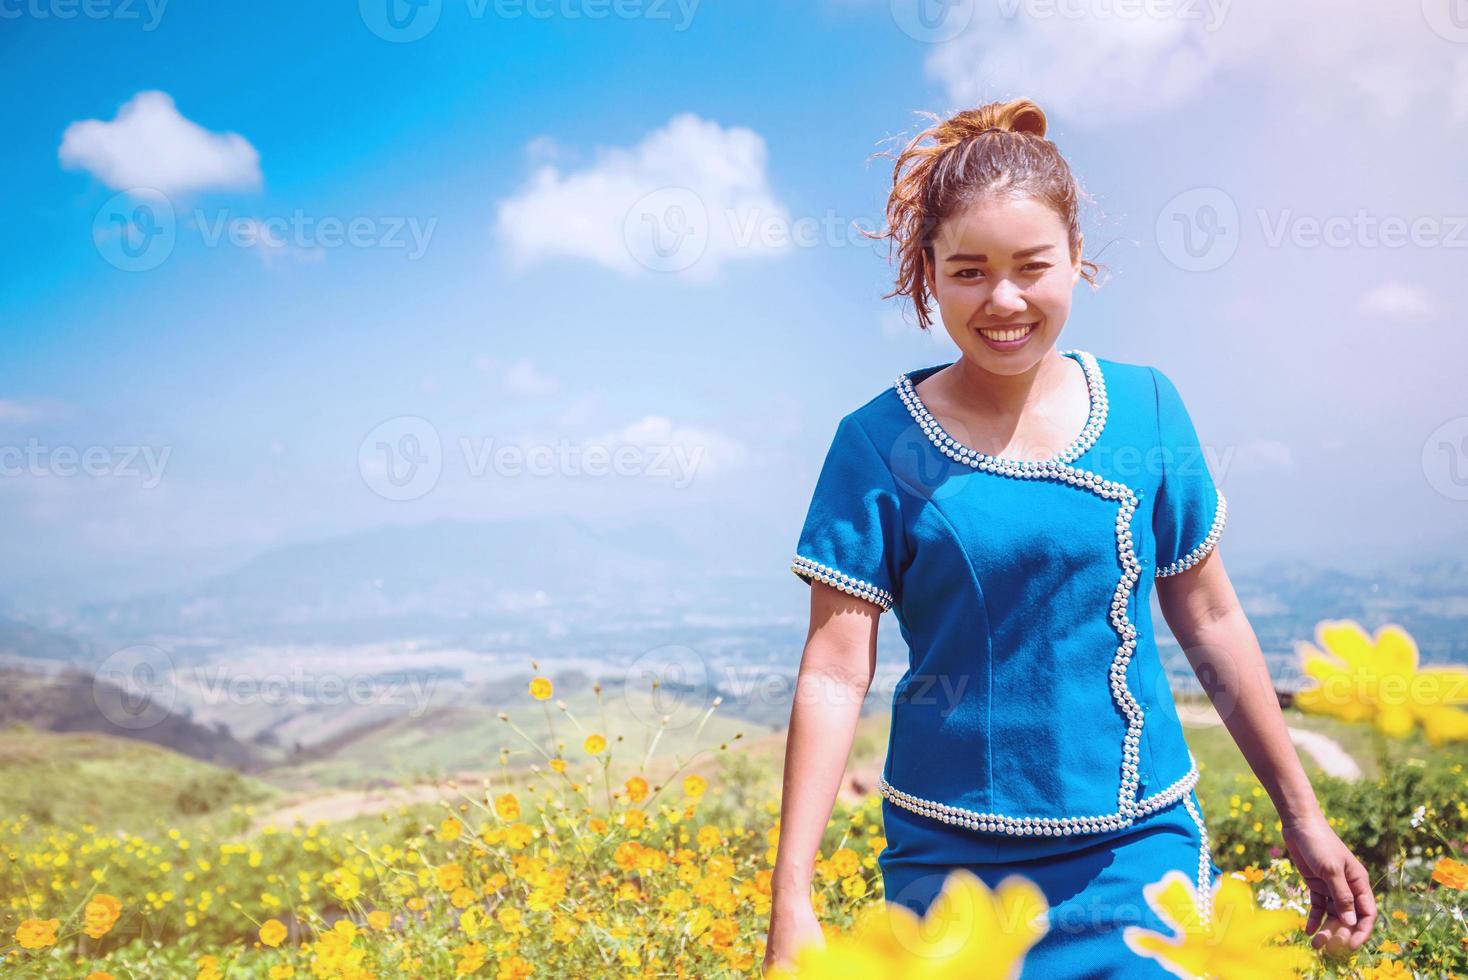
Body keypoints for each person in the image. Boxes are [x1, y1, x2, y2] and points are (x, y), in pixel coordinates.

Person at [762, 98, 1377, 977]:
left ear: (1077, 262)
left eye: (1032, 267)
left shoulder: (1147, 408)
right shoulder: (875, 445)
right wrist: (794, 897)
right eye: (969, 271)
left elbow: (1210, 620)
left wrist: (1303, 814)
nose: (1003, 300)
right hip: (952, 875)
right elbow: (833, 668)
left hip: (1142, 859)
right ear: (926, 272)